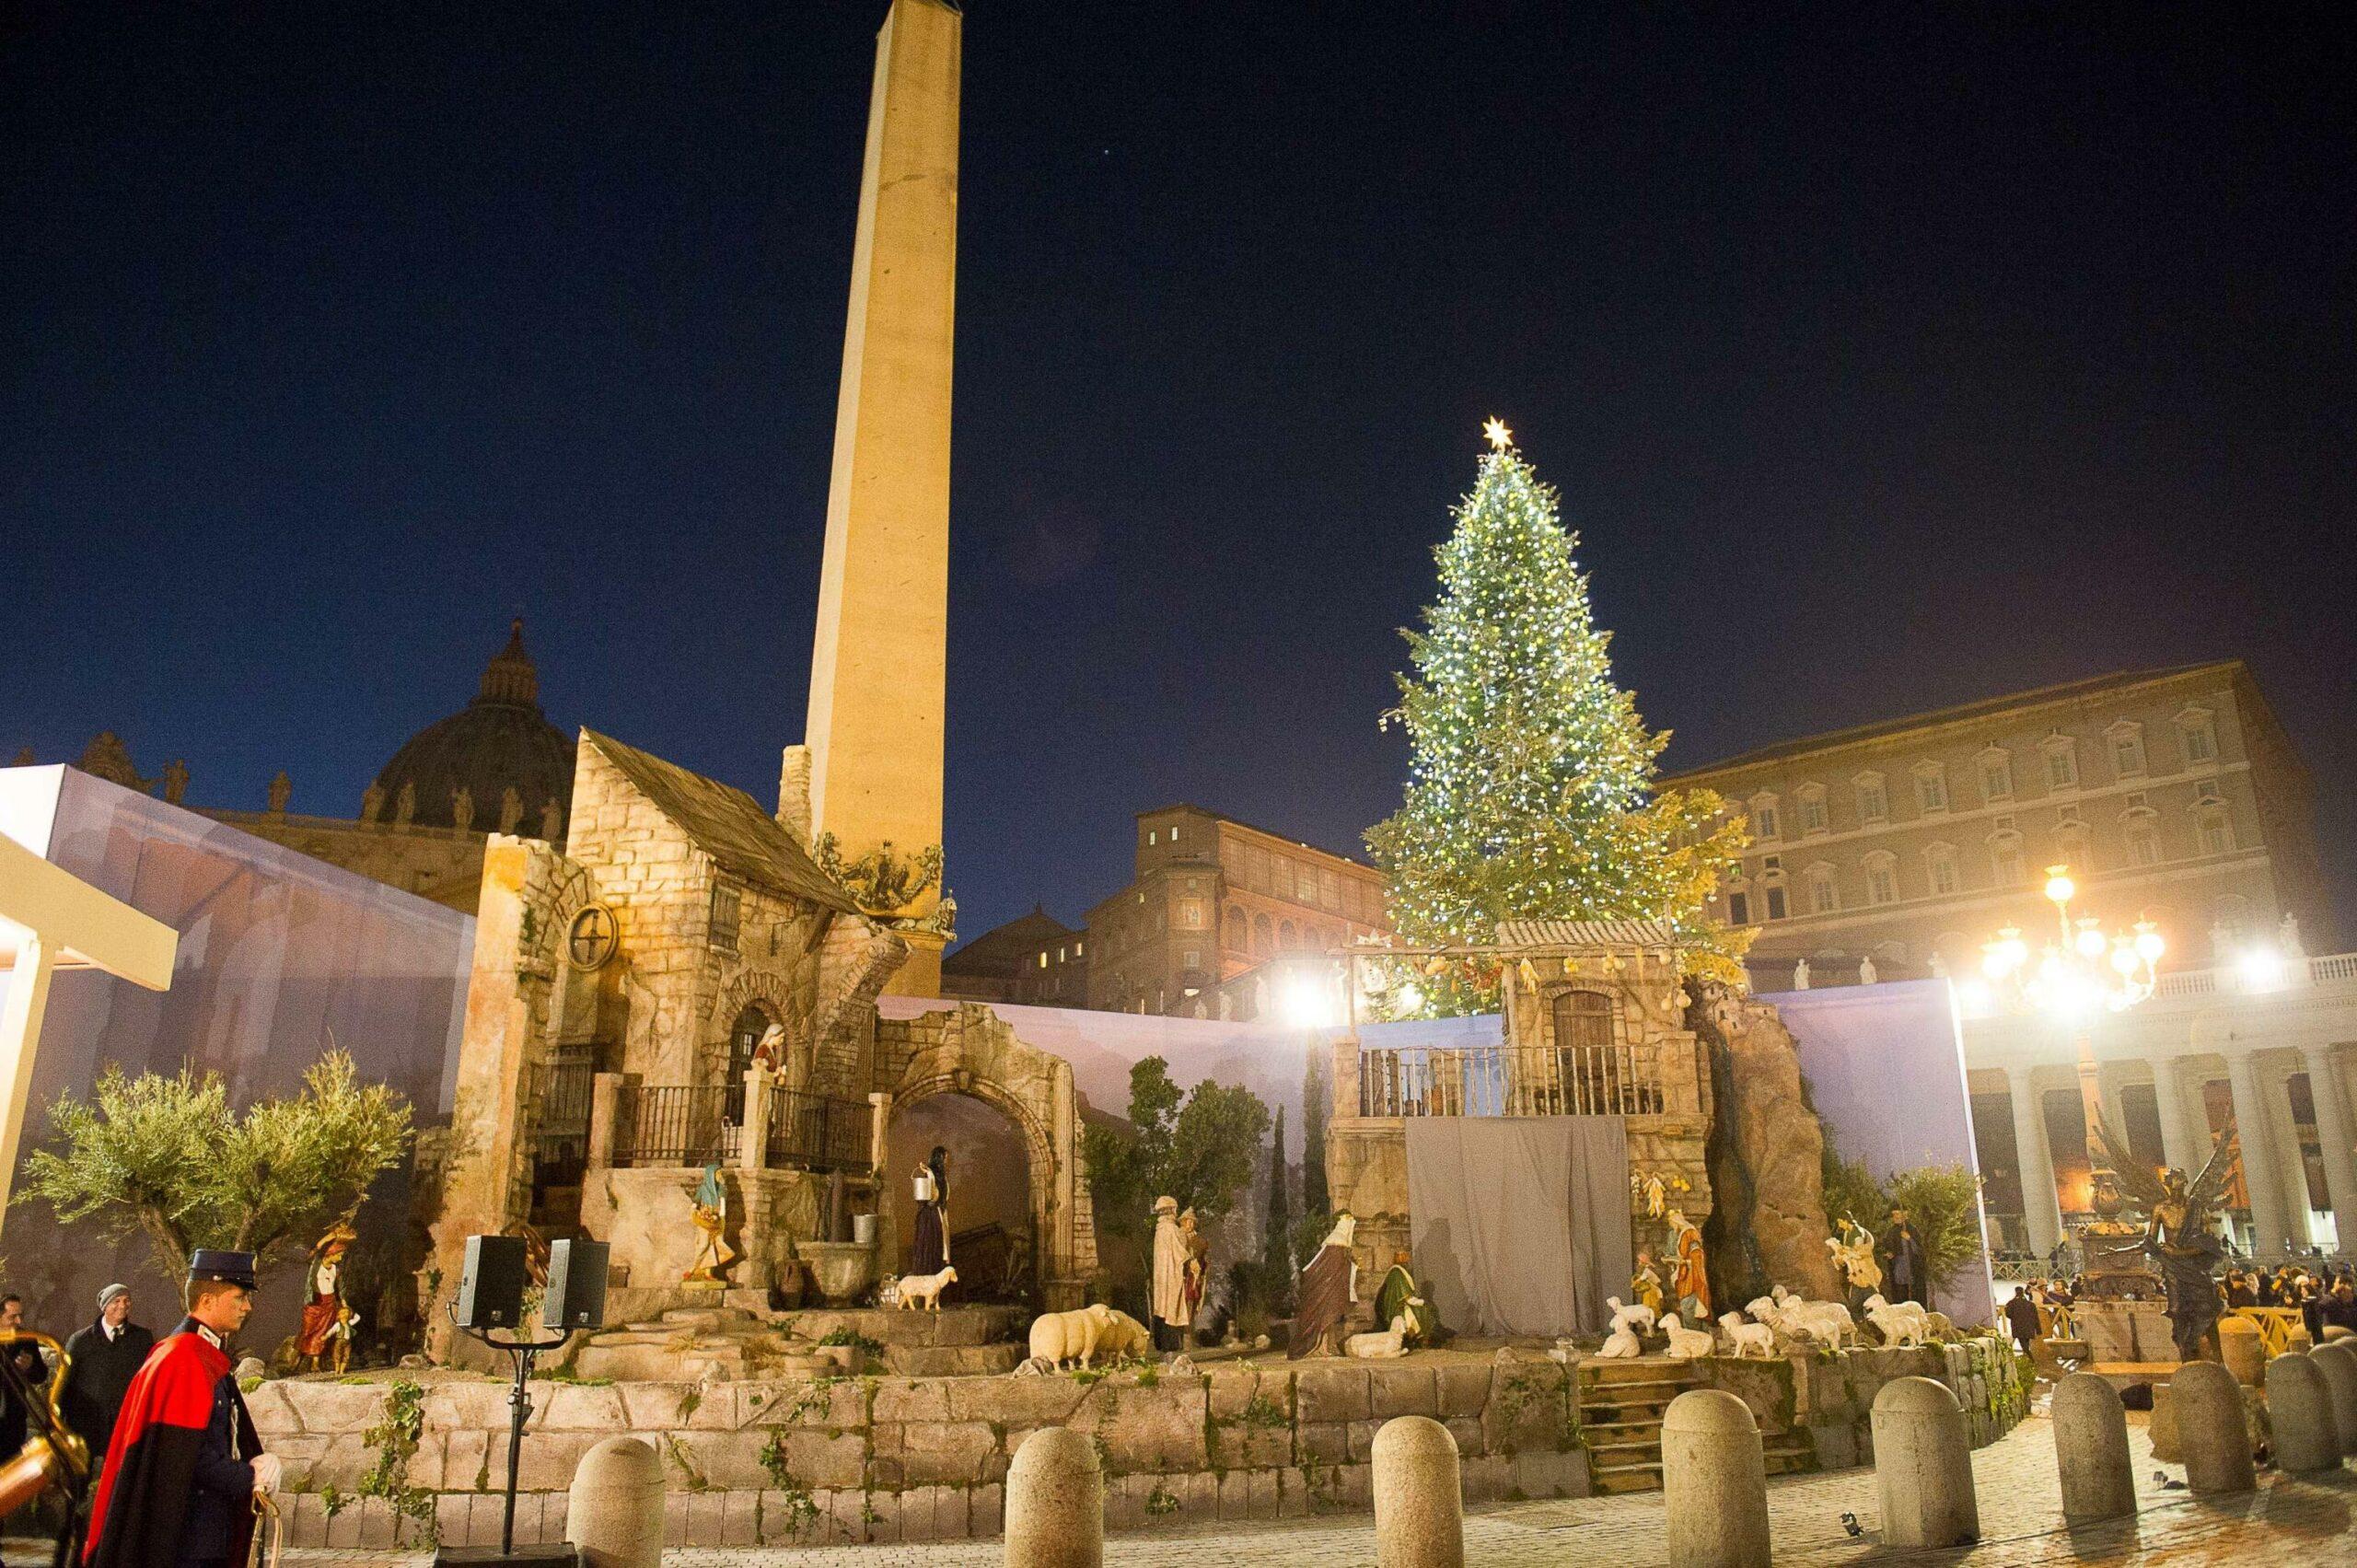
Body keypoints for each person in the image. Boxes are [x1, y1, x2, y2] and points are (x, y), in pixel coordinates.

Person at [83, 1250, 283, 1568]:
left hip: (202, 1534)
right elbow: (183, 1455)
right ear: (207, 1300)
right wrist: (248, 1475)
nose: (248, 1307)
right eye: (240, 1296)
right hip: (184, 1539)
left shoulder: (202, 1353)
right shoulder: (182, 1358)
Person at [59, 1285, 156, 1461]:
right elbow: (65, 1383)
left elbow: (149, 1379)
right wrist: (59, 1423)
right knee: (79, 1476)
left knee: (118, 1477)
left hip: (124, 1422)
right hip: (86, 1423)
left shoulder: (142, 1339)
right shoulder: (80, 1340)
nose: (122, 1305)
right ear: (104, 1306)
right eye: (116, 1301)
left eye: (126, 1300)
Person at [1289, 1212, 1357, 1360]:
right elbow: (1330, 1269)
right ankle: (1321, 1348)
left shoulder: (1336, 1243)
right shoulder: (1336, 1243)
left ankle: (1325, 1348)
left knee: (1328, 1321)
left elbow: (1338, 1268)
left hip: (1330, 1291)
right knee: (1324, 1321)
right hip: (1326, 1292)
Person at [1148, 1196, 1190, 1353]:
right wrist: (1184, 1233)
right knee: (1171, 1308)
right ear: (1171, 1210)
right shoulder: (1172, 1230)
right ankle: (1171, 1349)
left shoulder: (1159, 1231)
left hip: (1161, 1277)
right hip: (1171, 1275)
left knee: (1162, 1308)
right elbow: (1181, 1251)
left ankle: (1163, 1350)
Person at [910, 1146, 949, 1278]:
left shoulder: (941, 1177)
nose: (946, 1162)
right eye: (944, 1158)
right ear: (939, 1159)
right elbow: (932, 1197)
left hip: (937, 1215)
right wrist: (930, 1175)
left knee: (936, 1247)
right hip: (929, 1217)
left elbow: (943, 1197)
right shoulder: (929, 1174)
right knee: (928, 1247)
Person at [1877, 1206, 1928, 1307]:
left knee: (1915, 1297)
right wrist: (1890, 1254)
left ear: (1905, 1214)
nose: (1895, 1217)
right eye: (1894, 1214)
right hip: (1898, 1269)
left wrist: (1909, 1239)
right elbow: (1887, 1247)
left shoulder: (1912, 1230)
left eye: (1897, 1214)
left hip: (1912, 1269)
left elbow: (1920, 1250)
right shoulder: (1891, 1232)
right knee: (1900, 1295)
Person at [2003, 1284, 2042, 1353]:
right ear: (2023, 1292)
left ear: (2016, 1292)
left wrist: (2014, 1317)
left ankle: (2031, 1359)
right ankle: (2029, 1358)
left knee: (2024, 1345)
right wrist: (2038, 1330)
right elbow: (2036, 1317)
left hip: (2018, 1326)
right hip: (2029, 1326)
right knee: (2026, 1344)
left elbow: (2007, 1313)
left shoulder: (2011, 1303)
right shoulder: (2031, 1304)